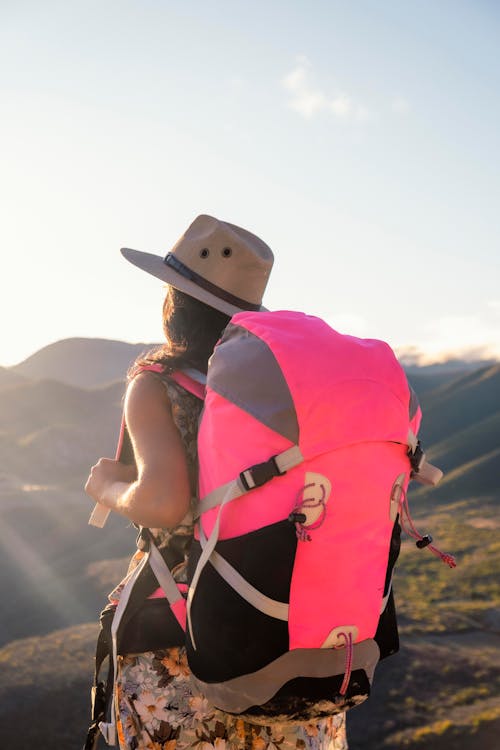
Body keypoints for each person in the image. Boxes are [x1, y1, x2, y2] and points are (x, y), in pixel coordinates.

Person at [85, 214, 348, 750]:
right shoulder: (288, 395)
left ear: (174, 303)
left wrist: (107, 488)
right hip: (294, 637)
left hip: (185, 640)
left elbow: (162, 502)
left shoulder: (158, 385)